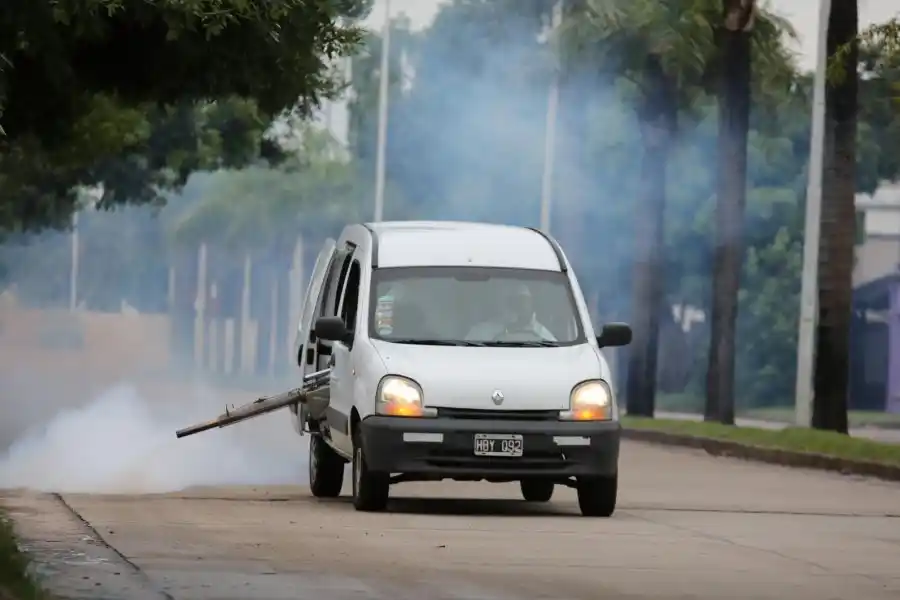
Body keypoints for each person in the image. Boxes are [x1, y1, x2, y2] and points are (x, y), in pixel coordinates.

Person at [465, 283, 556, 341]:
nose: (521, 307)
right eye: (516, 302)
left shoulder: (541, 335)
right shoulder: (482, 331)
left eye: (525, 302)